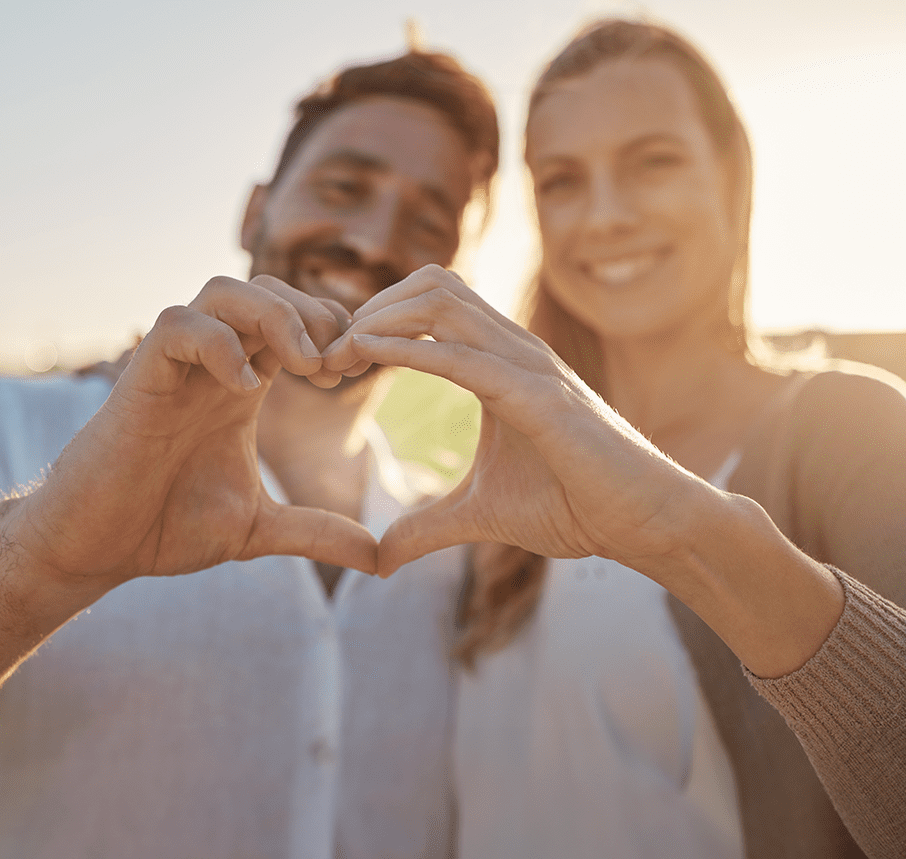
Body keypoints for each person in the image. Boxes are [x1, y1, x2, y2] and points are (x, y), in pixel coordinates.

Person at [0, 50, 499, 857]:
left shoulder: (460, 546)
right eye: (343, 187)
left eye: (428, 220)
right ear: (256, 209)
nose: (372, 240)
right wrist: (33, 559)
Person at [321, 19, 906, 859]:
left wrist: (683, 533)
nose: (606, 216)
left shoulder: (845, 429)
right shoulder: (506, 472)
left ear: (731, 174)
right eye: (563, 181)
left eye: (653, 163)